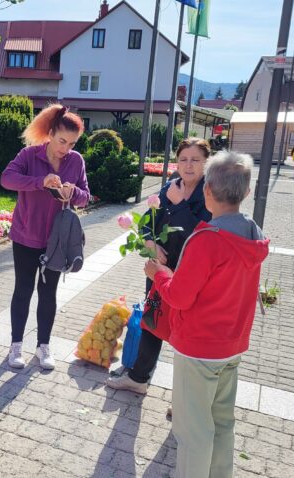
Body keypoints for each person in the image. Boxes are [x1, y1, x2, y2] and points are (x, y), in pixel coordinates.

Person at [144, 151, 269, 478]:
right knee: (222, 423)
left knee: (193, 431)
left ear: (208, 191)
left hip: (198, 348)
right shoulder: (252, 232)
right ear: (245, 192)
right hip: (232, 345)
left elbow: (179, 298)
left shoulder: (206, 240)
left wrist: (159, 273)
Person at [106, 138, 211, 395]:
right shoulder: (169, 188)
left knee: (187, 329)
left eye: (195, 160)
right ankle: (139, 377)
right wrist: (150, 243)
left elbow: (202, 233)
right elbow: (146, 224)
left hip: (189, 273)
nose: (188, 165)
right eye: (183, 159)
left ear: (206, 162)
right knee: (152, 321)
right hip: (158, 269)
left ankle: (187, 396)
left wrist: (179, 204)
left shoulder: (211, 192)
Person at [0, 104, 90, 370]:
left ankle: (43, 346)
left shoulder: (76, 161)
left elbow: (86, 197)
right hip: (26, 235)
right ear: (50, 133)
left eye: (72, 143)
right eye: (62, 140)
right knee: (23, 291)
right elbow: (6, 179)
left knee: (48, 292)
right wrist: (40, 182)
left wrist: (72, 193)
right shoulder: (30, 155)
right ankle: (16, 345)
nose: (66, 148)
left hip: (57, 241)